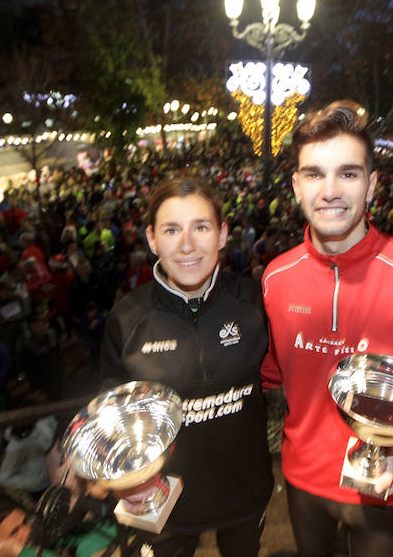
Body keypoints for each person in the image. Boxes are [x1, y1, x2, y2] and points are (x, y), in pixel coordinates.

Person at [261, 100, 393, 557]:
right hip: (301, 480)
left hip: (388, 486)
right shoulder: (275, 278)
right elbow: (270, 371)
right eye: (314, 174)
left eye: (348, 174)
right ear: (296, 186)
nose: (330, 190)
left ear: (372, 185)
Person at [100, 176, 273, 557]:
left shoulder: (254, 301)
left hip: (245, 491)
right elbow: (112, 416)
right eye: (172, 229)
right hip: (162, 503)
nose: (187, 244)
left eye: (201, 227)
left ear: (223, 233)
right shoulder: (127, 319)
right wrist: (125, 479)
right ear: (151, 238)